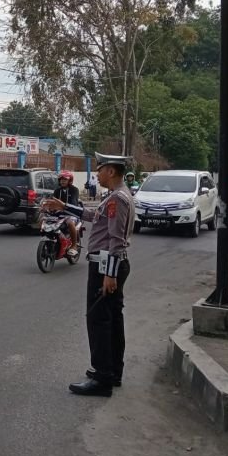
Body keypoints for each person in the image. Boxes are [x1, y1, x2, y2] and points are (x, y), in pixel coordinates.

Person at [44, 153, 135, 397]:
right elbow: (95, 217)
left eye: (101, 170)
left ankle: (102, 378)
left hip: (106, 265)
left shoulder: (118, 199)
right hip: (109, 265)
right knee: (112, 319)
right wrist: (65, 207)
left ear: (112, 172)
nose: (97, 174)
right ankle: (112, 371)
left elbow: (116, 241)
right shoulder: (116, 196)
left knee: (98, 321)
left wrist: (110, 274)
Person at [52, 170, 81, 257]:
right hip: (59, 214)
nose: (62, 181)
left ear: (70, 181)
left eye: (65, 179)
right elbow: (53, 201)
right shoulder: (57, 191)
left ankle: (74, 245)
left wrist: (65, 206)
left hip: (71, 213)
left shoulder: (74, 190)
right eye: (61, 179)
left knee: (70, 223)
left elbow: (74, 202)